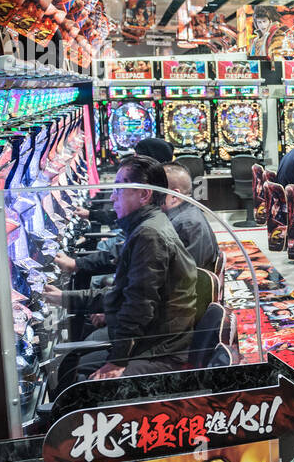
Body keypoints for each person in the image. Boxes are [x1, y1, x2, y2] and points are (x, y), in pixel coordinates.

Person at [44, 155, 199, 380]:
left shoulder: (149, 235)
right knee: (76, 358)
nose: (113, 196)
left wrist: (117, 361)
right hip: (155, 339)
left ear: (144, 195)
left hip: (159, 350)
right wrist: (64, 298)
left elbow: (139, 306)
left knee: (79, 375)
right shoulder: (146, 225)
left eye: (119, 188)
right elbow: (123, 296)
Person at [162, 162, 218, 271]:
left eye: (156, 190)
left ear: (174, 195)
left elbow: (187, 273)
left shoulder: (188, 224)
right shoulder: (187, 211)